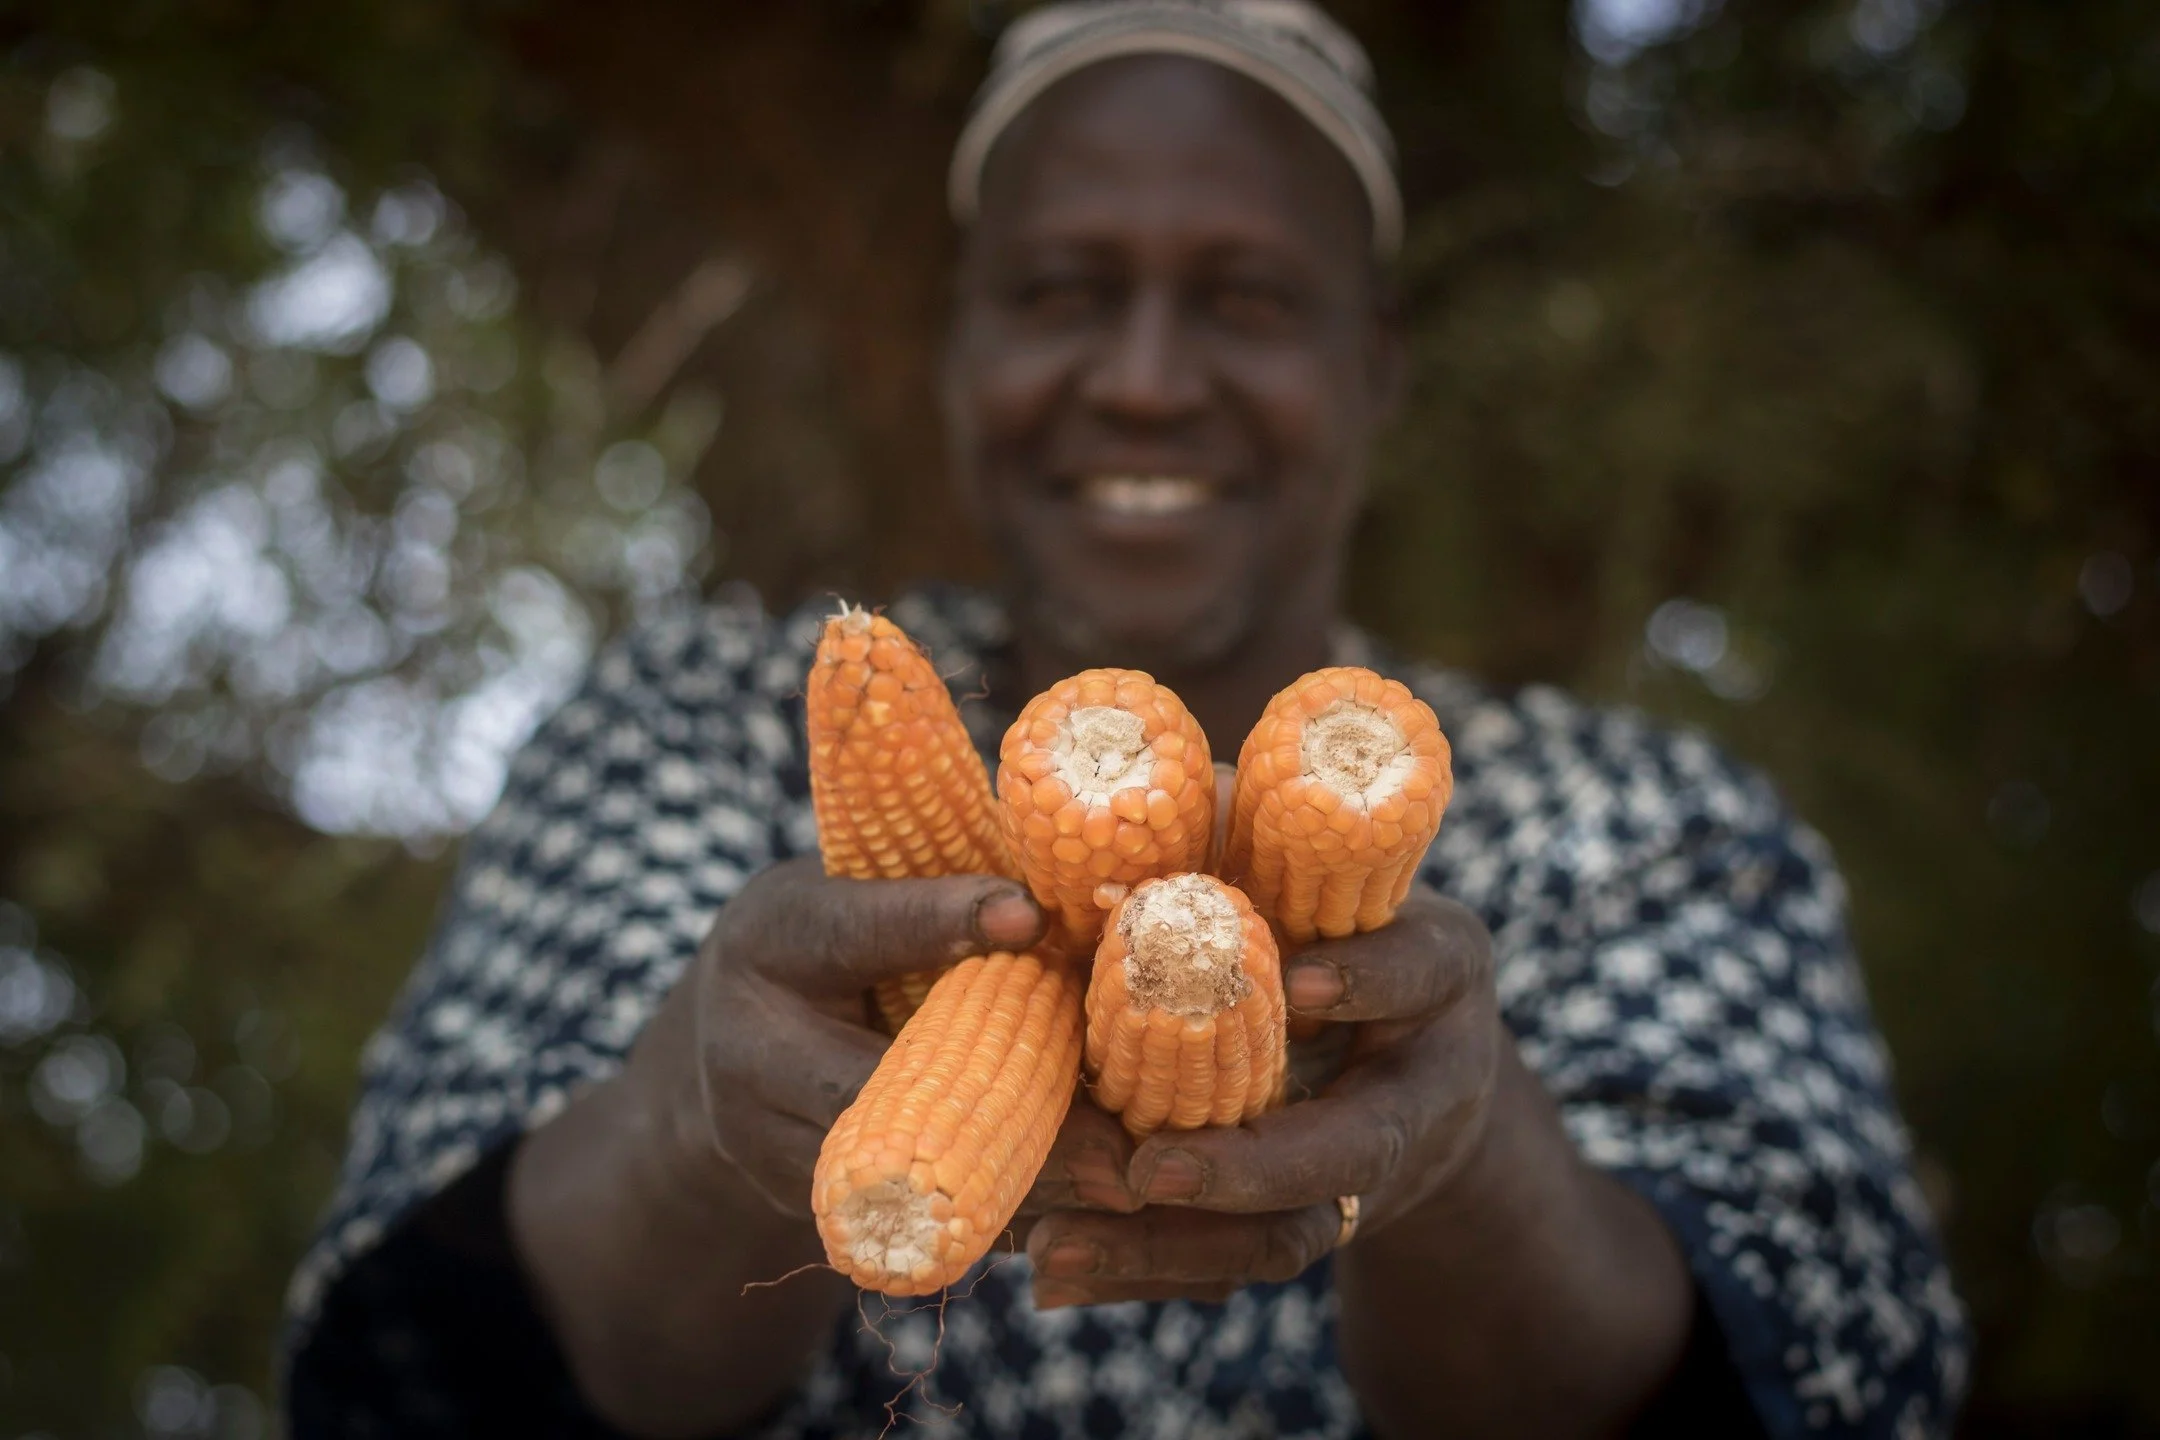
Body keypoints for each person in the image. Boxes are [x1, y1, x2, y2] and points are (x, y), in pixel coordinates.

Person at [283, 3, 1968, 1435]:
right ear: (959, 351)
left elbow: (1852, 1369)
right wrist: (691, 1124)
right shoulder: (698, 723)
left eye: (1244, 299)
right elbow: (410, 1368)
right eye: (1064, 291)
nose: (1147, 377)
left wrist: (1467, 1171)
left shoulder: (1644, 823)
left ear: (1375, 368)